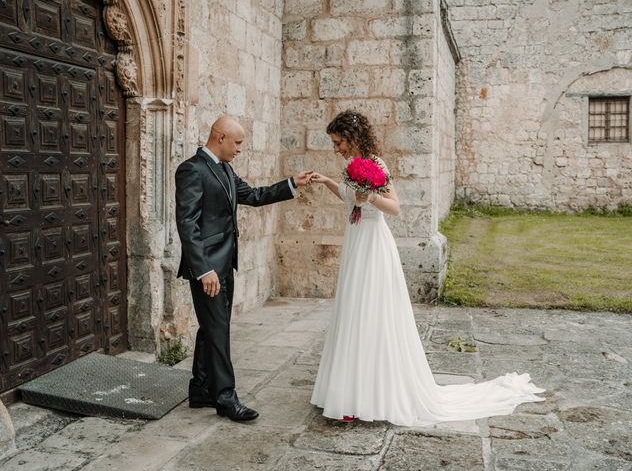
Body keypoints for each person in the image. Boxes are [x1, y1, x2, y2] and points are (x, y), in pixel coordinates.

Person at [309, 111, 544, 426]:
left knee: (371, 314)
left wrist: (371, 196)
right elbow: (350, 197)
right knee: (352, 312)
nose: (336, 148)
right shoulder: (349, 168)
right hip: (355, 243)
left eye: (338, 142)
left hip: (374, 246)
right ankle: (347, 392)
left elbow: (394, 207)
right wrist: (327, 182)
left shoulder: (376, 165)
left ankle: (369, 394)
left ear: (353, 139)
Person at [175, 116, 312, 422]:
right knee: (219, 328)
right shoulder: (191, 170)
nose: (239, 149)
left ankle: (200, 388)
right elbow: (187, 224)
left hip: (225, 262)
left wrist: (291, 184)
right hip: (208, 268)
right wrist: (203, 269)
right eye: (237, 143)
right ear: (219, 137)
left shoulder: (225, 168)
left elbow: (252, 196)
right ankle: (225, 398)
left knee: (213, 326)